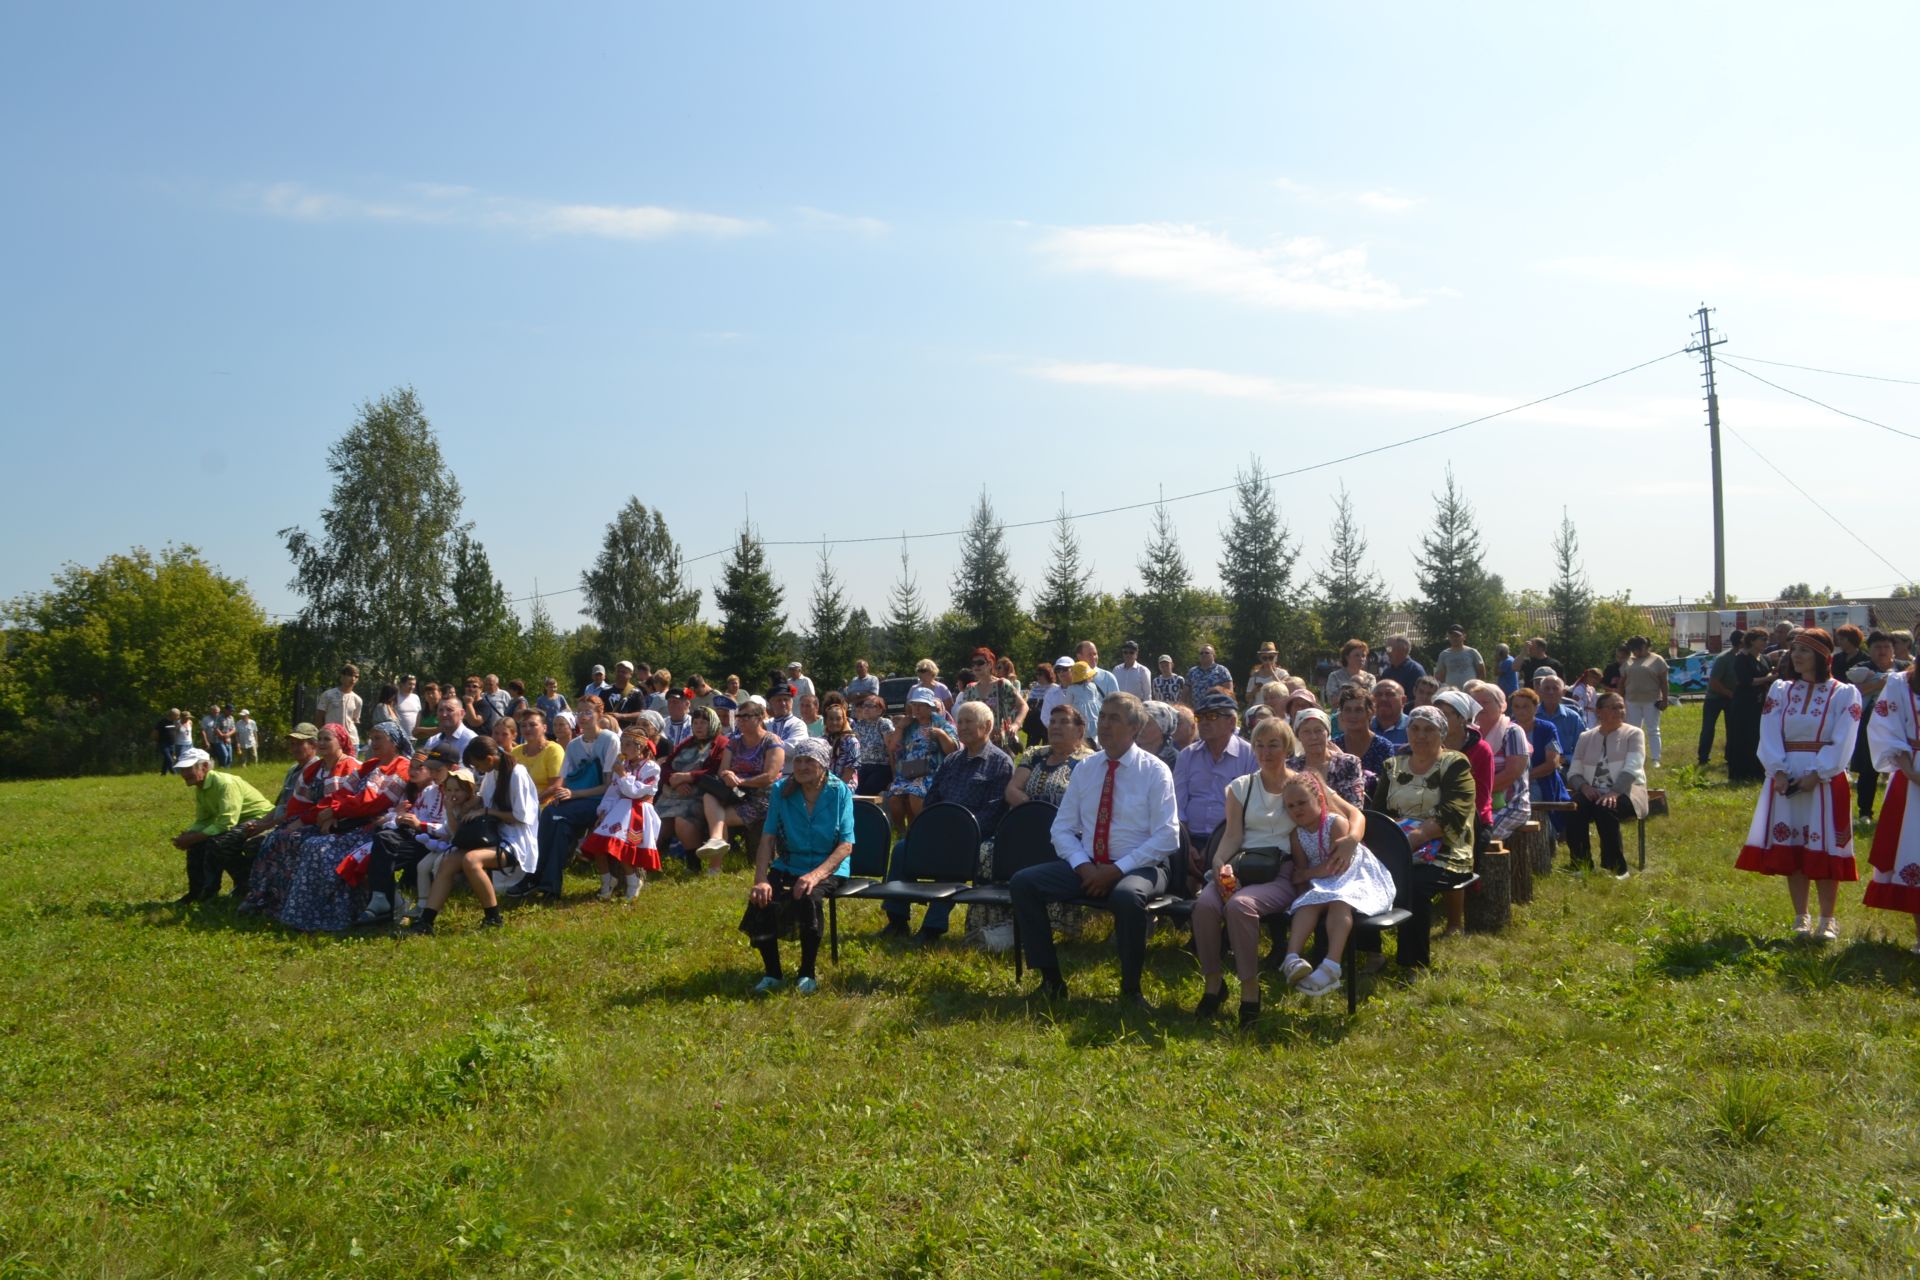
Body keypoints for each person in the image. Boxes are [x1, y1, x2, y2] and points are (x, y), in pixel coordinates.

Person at [1011, 695, 1178, 1006]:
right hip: (1089, 866)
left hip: (1142, 866)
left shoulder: (1154, 771)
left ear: (1135, 727)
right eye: (1102, 716)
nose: (1104, 724)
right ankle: (1051, 981)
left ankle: (1131, 990)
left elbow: (1168, 836)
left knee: (1126, 897)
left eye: (1114, 718)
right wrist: (1083, 866)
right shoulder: (1086, 769)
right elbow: (1060, 829)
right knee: (1024, 883)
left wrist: (1117, 870)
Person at [1734, 629, 1861, 939]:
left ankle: (1827, 919)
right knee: (1794, 847)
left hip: (1824, 778)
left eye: (1804, 650)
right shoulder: (1780, 690)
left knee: (1825, 846)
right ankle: (1800, 917)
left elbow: (1845, 736)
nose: (1796, 656)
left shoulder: (1844, 693)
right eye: (1794, 650)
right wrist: (1777, 770)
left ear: (1823, 656)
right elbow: (1769, 729)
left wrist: (1819, 773)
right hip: (1787, 775)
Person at [884, 701, 1013, 942]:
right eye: (960, 721)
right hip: (940, 830)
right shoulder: (952, 760)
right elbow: (932, 798)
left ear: (986, 726)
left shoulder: (1000, 763)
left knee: (953, 855)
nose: (961, 727)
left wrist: (960, 834)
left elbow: (994, 812)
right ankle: (897, 920)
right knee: (902, 848)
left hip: (973, 837)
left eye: (968, 722)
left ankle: (933, 927)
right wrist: (930, 828)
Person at [1364, 706, 1477, 966]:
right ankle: (1370, 952)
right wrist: (1386, 849)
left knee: (1414, 883)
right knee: (1363, 874)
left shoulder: (1455, 764)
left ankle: (1412, 963)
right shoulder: (1393, 766)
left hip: (1446, 849)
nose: (1421, 735)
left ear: (1442, 734)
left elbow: (1452, 814)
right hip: (1397, 845)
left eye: (1430, 729)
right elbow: (1378, 814)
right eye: (1415, 728)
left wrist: (1410, 841)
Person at [741, 738, 854, 994]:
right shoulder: (782, 790)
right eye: (799, 760)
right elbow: (768, 838)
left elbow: (846, 845)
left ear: (823, 764)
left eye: (809, 761)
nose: (802, 766)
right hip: (790, 862)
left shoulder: (840, 792)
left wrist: (814, 876)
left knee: (808, 896)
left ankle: (807, 973)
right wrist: (761, 879)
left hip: (829, 865)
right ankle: (772, 973)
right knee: (762, 899)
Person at [277, 721, 413, 932]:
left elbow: (374, 802)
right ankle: (308, 913)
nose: (372, 743)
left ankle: (336, 914)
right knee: (307, 844)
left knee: (319, 850)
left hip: (379, 827)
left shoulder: (402, 766)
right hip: (356, 823)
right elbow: (340, 793)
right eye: (371, 738)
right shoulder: (371, 764)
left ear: (393, 742)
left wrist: (336, 811)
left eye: (378, 738)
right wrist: (329, 811)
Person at [1279, 772, 1395, 997]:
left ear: (1320, 800)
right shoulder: (1297, 835)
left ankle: (1332, 964)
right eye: (1290, 806)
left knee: (1339, 902)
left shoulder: (1336, 823)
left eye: (1302, 803)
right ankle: (1291, 958)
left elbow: (1336, 866)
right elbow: (1301, 870)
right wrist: (1303, 891)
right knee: (1307, 905)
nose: (1297, 810)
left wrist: (1306, 875)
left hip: (1355, 876)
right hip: (1324, 882)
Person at [407, 736, 539, 934]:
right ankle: (426, 921)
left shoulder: (516, 774)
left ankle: (493, 918)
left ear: (488, 759)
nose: (477, 770)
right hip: (493, 836)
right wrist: (461, 803)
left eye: (477, 764)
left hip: (516, 840)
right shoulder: (492, 774)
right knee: (449, 861)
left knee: (471, 860)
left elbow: (521, 817)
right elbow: (482, 801)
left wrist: (486, 812)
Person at [240, 725, 359, 918]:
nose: (321, 743)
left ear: (341, 742)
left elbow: (338, 803)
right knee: (275, 839)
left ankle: (301, 904)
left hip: (340, 824)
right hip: (311, 821)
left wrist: (302, 822)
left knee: (297, 841)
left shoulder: (351, 766)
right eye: (319, 739)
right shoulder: (314, 769)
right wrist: (288, 822)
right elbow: (298, 802)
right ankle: (265, 898)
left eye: (327, 739)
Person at [512, 695, 618, 899]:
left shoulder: (609, 740)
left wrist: (573, 793)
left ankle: (535, 876)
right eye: (579, 712)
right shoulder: (574, 745)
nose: (583, 717)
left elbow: (608, 787)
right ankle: (550, 886)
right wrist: (565, 794)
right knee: (557, 823)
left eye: (588, 712)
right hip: (576, 801)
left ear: (599, 714)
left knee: (551, 814)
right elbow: (566, 780)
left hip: (600, 802)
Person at [355, 743, 460, 925]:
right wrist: (403, 819)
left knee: (384, 846)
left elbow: (450, 829)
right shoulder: (429, 791)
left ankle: (388, 901)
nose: (433, 774)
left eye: (437, 770)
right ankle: (386, 899)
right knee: (383, 839)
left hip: (440, 843)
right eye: (431, 769)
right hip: (420, 838)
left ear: (453, 768)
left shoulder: (456, 792)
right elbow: (417, 818)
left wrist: (420, 825)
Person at [1172, 691, 1258, 897]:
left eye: (1212, 716)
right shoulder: (1187, 756)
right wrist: (1188, 845)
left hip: (1231, 837)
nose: (1204, 723)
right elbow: (1177, 805)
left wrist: (1215, 848)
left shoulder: (1250, 755)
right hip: (1190, 837)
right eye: (1200, 717)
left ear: (1231, 721)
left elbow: (1251, 808)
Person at [1560, 691, 1649, 878]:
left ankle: (1616, 868)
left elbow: (1633, 768)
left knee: (1605, 809)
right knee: (1574, 807)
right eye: (1613, 707)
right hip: (1592, 792)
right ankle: (1581, 864)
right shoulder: (1586, 737)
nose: (1619, 711)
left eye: (1621, 706)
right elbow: (1573, 772)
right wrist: (1584, 787)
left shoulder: (1634, 734)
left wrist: (1614, 792)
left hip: (1627, 792)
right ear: (1598, 711)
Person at [168, 747, 273, 903]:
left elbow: (226, 822)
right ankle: (196, 892)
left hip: (260, 820)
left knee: (218, 843)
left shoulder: (225, 783)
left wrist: (194, 837)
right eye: (182, 769)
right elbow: (204, 819)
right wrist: (189, 835)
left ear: (204, 767)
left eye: (188, 769)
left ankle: (230, 887)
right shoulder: (201, 786)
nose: (184, 774)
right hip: (238, 821)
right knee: (196, 844)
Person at [1863, 663, 1920, 953]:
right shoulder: (1899, 683)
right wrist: (1910, 770)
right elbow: (1885, 728)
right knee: (1914, 848)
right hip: (1911, 771)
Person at [695, 695, 788, 869]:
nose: (741, 721)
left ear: (760, 718)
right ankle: (716, 842)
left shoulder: (772, 742)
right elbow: (722, 770)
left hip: (762, 798)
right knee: (709, 796)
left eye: (746, 717)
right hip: (735, 795)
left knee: (718, 818)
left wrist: (740, 781)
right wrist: (728, 775)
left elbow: (769, 776)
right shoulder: (735, 742)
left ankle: (715, 865)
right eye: (739, 717)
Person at [577, 729, 661, 901]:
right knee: (597, 844)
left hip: (639, 811)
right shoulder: (622, 767)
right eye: (622, 744)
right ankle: (607, 880)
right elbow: (613, 792)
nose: (623, 748)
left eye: (628, 744)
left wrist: (623, 775)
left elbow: (635, 793)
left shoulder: (651, 768)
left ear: (640, 747)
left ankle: (632, 881)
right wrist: (603, 810)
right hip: (618, 810)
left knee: (621, 848)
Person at [1465, 680, 1532, 846]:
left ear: (1501, 705)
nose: (1480, 706)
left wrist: (1475, 791)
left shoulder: (1512, 731)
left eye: (1485, 702)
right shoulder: (1469, 734)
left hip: (1510, 804)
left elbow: (1512, 773)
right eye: (1476, 703)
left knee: (1478, 837)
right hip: (1473, 801)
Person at [658, 705, 729, 860]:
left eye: (703, 723)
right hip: (672, 793)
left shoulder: (721, 743)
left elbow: (714, 771)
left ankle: (693, 862)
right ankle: (653, 861)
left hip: (697, 795)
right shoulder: (687, 742)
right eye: (695, 723)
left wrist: (688, 777)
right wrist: (674, 780)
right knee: (658, 823)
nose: (698, 727)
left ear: (712, 723)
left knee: (682, 821)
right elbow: (666, 766)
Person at [885, 686, 956, 834]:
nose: (916, 708)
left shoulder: (941, 724)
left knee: (915, 794)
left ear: (930, 707)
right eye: (914, 704)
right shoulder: (909, 725)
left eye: (921, 705)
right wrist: (899, 728)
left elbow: (953, 751)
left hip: (931, 773)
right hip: (908, 771)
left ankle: (922, 831)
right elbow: (892, 748)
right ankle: (903, 834)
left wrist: (941, 735)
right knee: (893, 799)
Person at [1433, 689, 1495, 845]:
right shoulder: (1429, 745)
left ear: (1462, 718)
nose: (1438, 721)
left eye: (1445, 715)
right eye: (1436, 715)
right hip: (1431, 817)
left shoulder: (1481, 750)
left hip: (1473, 819)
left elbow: (1482, 795)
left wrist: (1452, 821)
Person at [1849, 631, 1898, 825]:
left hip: (1896, 726)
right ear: (1869, 650)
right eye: (1877, 647)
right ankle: (1865, 813)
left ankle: (1897, 812)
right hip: (1869, 725)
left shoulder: (1904, 668)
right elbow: (1853, 691)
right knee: (1868, 770)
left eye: (1886, 647)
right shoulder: (1860, 669)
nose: (1882, 651)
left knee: (1899, 771)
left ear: (1893, 649)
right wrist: (1880, 683)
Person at [1007, 703, 1095, 809]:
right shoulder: (1034, 753)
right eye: (1052, 722)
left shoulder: (1089, 760)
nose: (1055, 726)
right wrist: (1035, 809)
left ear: (1079, 730)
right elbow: (1012, 790)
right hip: (1028, 819)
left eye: (1064, 722)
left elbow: (1086, 801)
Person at [1289, 707, 1368, 808]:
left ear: (1328, 733)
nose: (1313, 737)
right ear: (1298, 736)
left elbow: (1356, 805)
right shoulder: (1291, 767)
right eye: (1306, 732)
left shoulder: (1348, 763)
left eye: (1318, 731)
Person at [957, 647, 1028, 755]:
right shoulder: (970, 689)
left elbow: (1023, 706)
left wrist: (1016, 725)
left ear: (990, 664)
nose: (976, 666)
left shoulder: (1002, 684)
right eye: (973, 663)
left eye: (980, 663)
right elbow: (964, 715)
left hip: (999, 743)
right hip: (975, 742)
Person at [1724, 629, 1773, 783]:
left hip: (1760, 702)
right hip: (1744, 703)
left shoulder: (1764, 658)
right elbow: (1747, 681)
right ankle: (1742, 771)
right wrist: (1769, 678)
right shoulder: (1742, 658)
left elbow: (1768, 674)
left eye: (1767, 639)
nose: (1766, 642)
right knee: (1744, 736)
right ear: (1752, 641)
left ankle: (1758, 770)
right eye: (1762, 639)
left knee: (1758, 736)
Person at [1510, 686, 1569, 808]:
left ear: (1536, 708)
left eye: (1525, 706)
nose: (1521, 711)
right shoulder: (1507, 729)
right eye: (1517, 706)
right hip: (1510, 783)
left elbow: (1552, 763)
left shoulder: (1547, 729)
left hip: (1540, 783)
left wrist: (1523, 777)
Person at [1618, 636, 1670, 767]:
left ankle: (1655, 759)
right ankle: (1635, 758)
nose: (1634, 652)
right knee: (1633, 731)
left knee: (1653, 730)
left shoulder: (1657, 660)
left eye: (1637, 649)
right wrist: (1619, 699)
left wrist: (1665, 699)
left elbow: (1664, 682)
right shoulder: (1628, 662)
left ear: (1644, 647)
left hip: (1651, 701)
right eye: (1632, 650)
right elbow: (1622, 682)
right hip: (1631, 701)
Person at [1700, 631, 1744, 767]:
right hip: (1714, 698)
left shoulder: (1743, 657)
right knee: (1708, 728)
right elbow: (1714, 682)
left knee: (1732, 728)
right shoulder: (1724, 658)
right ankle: (1703, 757)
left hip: (1731, 698)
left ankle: (1730, 756)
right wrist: (1729, 693)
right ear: (1741, 642)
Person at [1334, 686, 1394, 783]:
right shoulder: (1334, 746)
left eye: (1358, 710)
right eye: (1348, 710)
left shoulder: (1383, 747)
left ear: (1370, 713)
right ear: (1341, 714)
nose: (1353, 715)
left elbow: (1386, 785)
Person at [514, 707, 565, 805]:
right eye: (523, 725)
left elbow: (556, 785)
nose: (527, 729)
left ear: (544, 728)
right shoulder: (515, 752)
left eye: (533, 725)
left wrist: (531, 803)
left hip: (543, 806)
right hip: (518, 805)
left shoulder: (553, 750)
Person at [850, 692, 895, 795]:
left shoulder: (884, 723)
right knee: (854, 789)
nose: (866, 709)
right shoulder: (860, 725)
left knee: (867, 790)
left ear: (879, 710)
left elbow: (891, 749)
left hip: (881, 767)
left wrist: (895, 775)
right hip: (863, 766)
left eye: (870, 706)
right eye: (864, 706)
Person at [761, 681, 812, 767]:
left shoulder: (798, 724)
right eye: (779, 700)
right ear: (771, 704)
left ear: (792, 702)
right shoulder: (765, 724)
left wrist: (765, 747)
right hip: (766, 774)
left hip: (789, 775)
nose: (783, 703)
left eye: (786, 699)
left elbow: (794, 748)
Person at [315, 664, 363, 751]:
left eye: (356, 676)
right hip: (331, 739)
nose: (353, 679)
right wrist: (320, 737)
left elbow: (354, 721)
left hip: (351, 740)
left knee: (350, 764)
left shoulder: (357, 700)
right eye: (350, 675)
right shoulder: (328, 695)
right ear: (342, 676)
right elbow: (320, 717)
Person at [817, 694, 861, 786]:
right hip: (823, 785)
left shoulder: (852, 742)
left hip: (845, 785)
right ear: (825, 721)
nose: (834, 722)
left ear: (844, 720)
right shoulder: (821, 741)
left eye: (838, 719)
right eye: (831, 719)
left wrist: (837, 788)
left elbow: (850, 771)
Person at [1323, 640, 1376, 708]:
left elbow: (1372, 700)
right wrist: (1351, 686)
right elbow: (1333, 701)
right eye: (1357, 655)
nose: (1361, 658)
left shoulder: (1370, 678)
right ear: (1347, 657)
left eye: (1363, 655)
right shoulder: (1334, 676)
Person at [1062, 661, 1105, 745]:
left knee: (1082, 738)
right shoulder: (1093, 686)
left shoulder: (1071, 689)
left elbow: (1067, 704)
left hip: (1080, 716)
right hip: (1095, 715)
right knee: (1096, 737)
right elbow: (1097, 699)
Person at [1137, 700, 1181, 771]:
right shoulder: (1126, 752)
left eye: (1147, 723)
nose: (1140, 727)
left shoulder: (1175, 760)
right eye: (1138, 721)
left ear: (1163, 727)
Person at [200, 703, 233, 768]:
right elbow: (202, 731)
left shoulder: (221, 718)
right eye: (215, 712)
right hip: (209, 741)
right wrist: (205, 741)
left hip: (219, 740)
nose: (216, 713)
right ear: (211, 711)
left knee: (222, 756)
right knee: (209, 757)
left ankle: (223, 768)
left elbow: (229, 728)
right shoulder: (206, 719)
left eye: (218, 712)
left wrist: (226, 736)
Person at [393, 674, 422, 740]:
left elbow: (419, 714)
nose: (412, 687)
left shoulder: (416, 697)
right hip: (399, 738)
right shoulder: (395, 697)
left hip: (415, 737)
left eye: (414, 684)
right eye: (409, 684)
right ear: (402, 684)